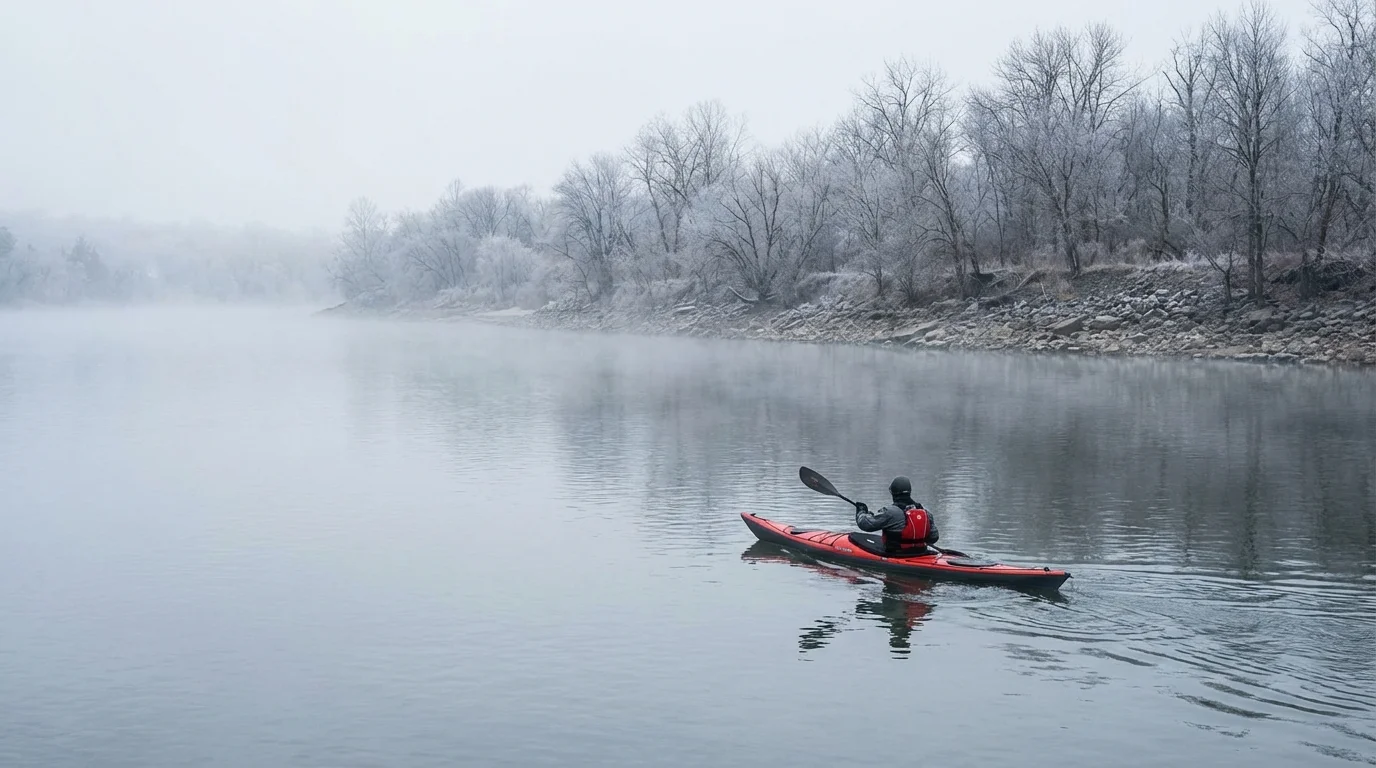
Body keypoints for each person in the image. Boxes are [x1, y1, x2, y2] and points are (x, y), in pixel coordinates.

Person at [853, 476, 939, 554]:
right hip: (921, 552)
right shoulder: (925, 511)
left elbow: (866, 525)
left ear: (893, 492)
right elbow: (934, 537)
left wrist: (861, 512)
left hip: (897, 553)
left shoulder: (890, 512)